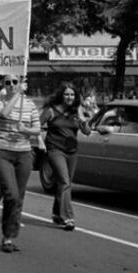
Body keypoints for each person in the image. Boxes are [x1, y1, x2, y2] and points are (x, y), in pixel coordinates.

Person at [0, 73, 42, 252]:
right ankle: (7, 233)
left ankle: (9, 237)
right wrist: (17, 94)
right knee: (11, 193)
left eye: (15, 82)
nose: (11, 85)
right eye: (8, 82)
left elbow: (37, 128)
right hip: (2, 151)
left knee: (19, 196)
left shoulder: (29, 104)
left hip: (23, 153)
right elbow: (3, 113)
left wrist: (26, 129)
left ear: (19, 82)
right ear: (3, 85)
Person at [40, 82, 92, 231]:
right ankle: (68, 217)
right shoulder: (51, 111)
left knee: (64, 183)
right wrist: (39, 141)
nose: (69, 97)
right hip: (55, 149)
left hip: (72, 151)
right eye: (67, 94)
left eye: (72, 95)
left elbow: (87, 132)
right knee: (64, 181)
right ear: (61, 96)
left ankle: (57, 213)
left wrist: (84, 122)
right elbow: (36, 125)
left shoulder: (77, 110)